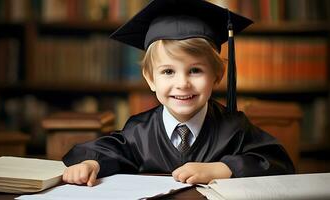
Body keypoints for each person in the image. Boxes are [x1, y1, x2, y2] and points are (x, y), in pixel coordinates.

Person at [62, 0, 295, 187]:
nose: (182, 83)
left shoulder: (234, 128)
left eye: (195, 70)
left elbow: (277, 162)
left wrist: (222, 169)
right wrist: (92, 164)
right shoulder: (139, 130)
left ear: (217, 75)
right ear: (150, 79)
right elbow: (110, 150)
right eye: (168, 71)